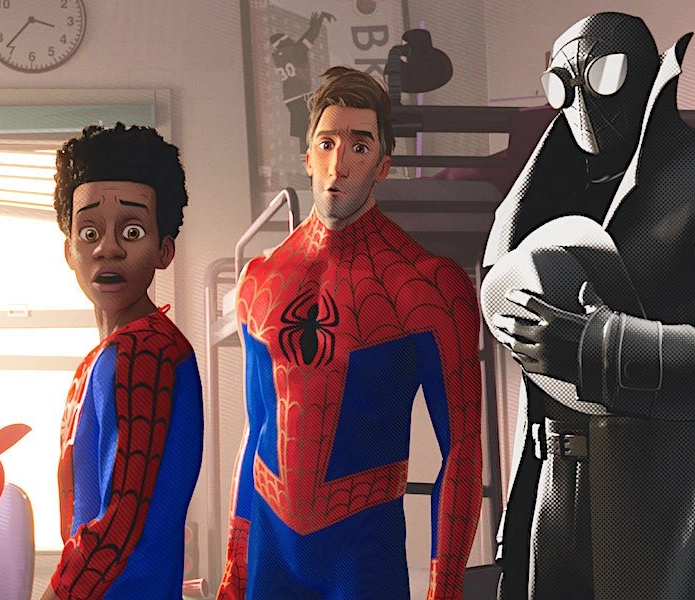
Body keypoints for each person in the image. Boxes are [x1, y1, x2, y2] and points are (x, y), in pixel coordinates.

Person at [482, 12, 695, 600]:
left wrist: (607, 350)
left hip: (686, 507)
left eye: (604, 72)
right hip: (552, 504)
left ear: (645, 70)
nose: (585, 101)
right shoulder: (539, 194)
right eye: (563, 84)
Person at [219, 66, 483, 600]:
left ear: (383, 165)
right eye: (327, 143)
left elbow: (461, 447)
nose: (339, 164)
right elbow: (257, 430)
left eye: (359, 147)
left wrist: (445, 587)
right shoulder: (259, 278)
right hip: (270, 547)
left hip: (362, 553)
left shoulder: (429, 285)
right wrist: (234, 567)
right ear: (307, 157)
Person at [40, 123, 203, 600]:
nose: (107, 248)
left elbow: (119, 523)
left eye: (132, 231)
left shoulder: (144, 350)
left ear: (164, 250)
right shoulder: (110, 355)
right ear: (69, 250)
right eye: (89, 231)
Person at [270, 11, 335, 155]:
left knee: (304, 131)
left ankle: (306, 157)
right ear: (284, 42)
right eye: (289, 40)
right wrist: (316, 24)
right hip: (301, 96)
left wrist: (312, 26)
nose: (293, 40)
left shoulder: (278, 56)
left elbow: (299, 43)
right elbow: (308, 39)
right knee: (312, 128)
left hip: (290, 98)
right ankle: (311, 157)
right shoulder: (296, 51)